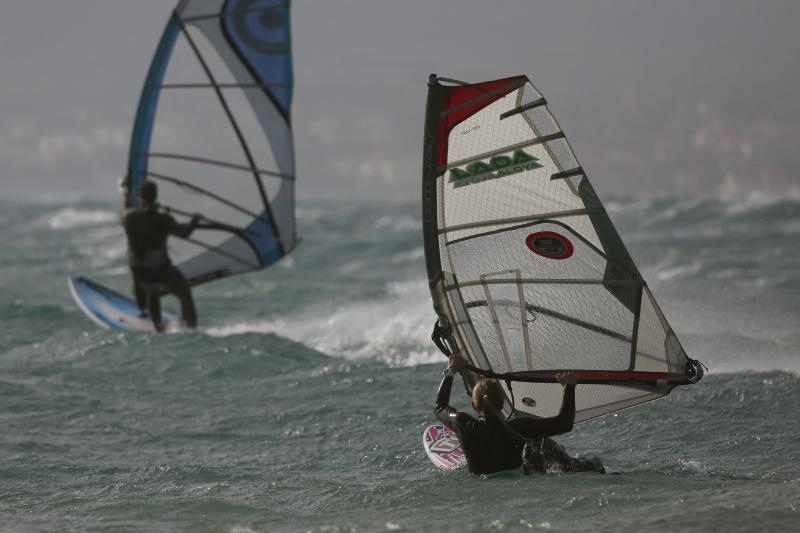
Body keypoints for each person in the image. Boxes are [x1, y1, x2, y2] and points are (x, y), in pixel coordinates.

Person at [434, 352, 605, 475]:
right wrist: (569, 387)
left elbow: (440, 406)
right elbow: (564, 424)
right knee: (539, 440)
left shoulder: (463, 424)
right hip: (521, 478)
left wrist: (451, 370)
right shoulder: (518, 427)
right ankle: (576, 466)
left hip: (483, 483)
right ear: (502, 403)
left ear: (473, 404)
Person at [121, 179, 201, 332]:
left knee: (152, 290)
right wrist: (194, 221)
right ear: (156, 197)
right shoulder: (164, 219)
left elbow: (129, 214)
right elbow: (184, 233)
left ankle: (158, 326)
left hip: (140, 270)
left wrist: (129, 203)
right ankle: (192, 329)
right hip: (161, 269)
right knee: (184, 294)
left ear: (140, 196)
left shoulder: (129, 218)